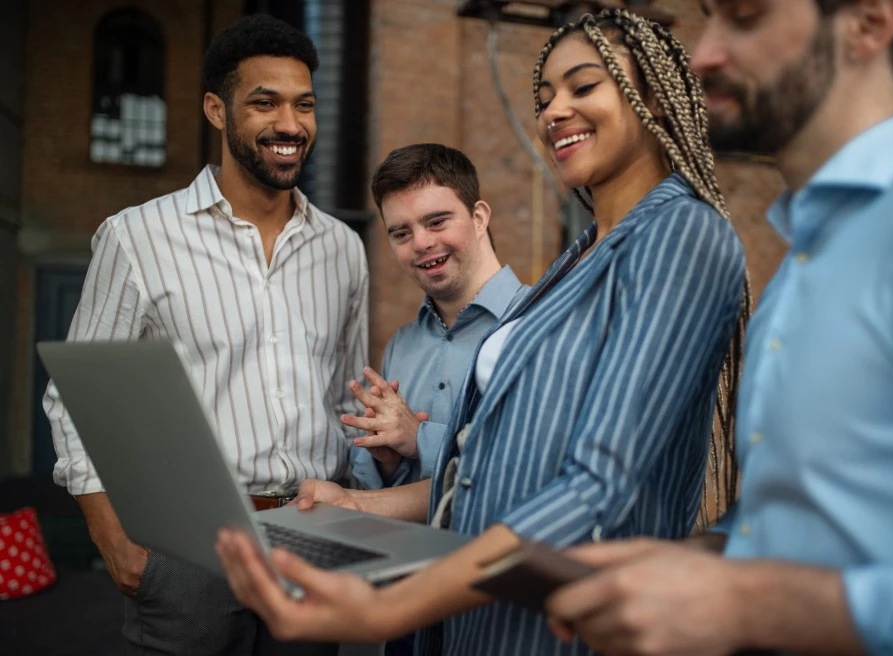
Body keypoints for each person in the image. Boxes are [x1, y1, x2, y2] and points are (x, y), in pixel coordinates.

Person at [215, 9, 749, 656]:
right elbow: (494, 469)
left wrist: (390, 609)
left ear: (654, 99)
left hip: (561, 628)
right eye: (545, 96)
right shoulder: (581, 255)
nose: (554, 111)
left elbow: (598, 487)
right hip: (483, 621)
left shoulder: (678, 234)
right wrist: (357, 509)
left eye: (582, 87)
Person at [544, 1, 893, 655]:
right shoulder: (796, 273)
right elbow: (814, 526)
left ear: (868, 19)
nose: (702, 55)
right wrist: (704, 559)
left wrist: (752, 605)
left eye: (744, 16)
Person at [42, 14, 366, 656]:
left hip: (313, 537)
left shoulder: (343, 248)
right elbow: (76, 398)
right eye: (265, 103)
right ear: (217, 111)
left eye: (304, 105)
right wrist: (114, 540)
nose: (290, 125)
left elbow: (346, 400)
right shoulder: (136, 237)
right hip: (187, 548)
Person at [347, 144, 525, 490]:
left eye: (437, 222)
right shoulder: (402, 345)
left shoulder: (541, 321)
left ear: (479, 218)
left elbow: (529, 464)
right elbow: (367, 483)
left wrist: (420, 440)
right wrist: (388, 459)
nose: (421, 243)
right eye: (401, 233)